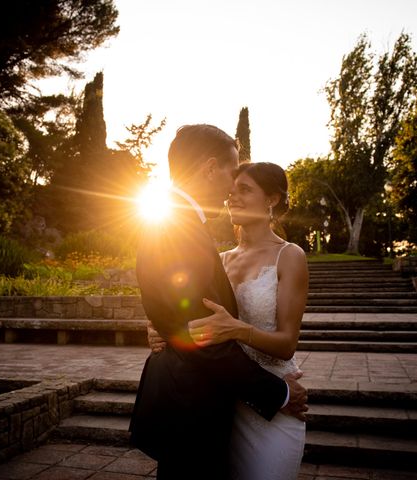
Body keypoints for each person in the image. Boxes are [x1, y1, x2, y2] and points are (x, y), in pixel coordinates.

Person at [129, 124, 308, 480]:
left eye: (245, 188)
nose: (231, 192)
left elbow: (187, 316)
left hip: (219, 396)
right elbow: (199, 332)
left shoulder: (180, 223)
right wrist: (280, 393)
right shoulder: (178, 226)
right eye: (231, 174)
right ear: (210, 168)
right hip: (198, 404)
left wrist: (169, 327)